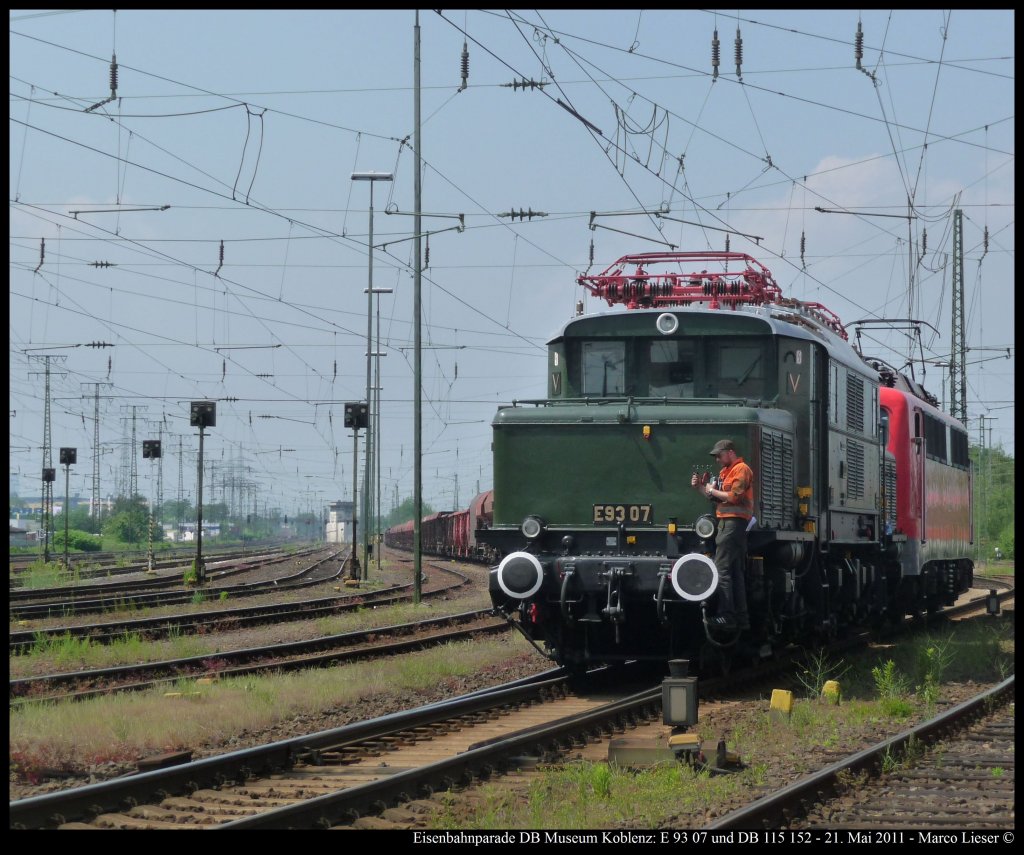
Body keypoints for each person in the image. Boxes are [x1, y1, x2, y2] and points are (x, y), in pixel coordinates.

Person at [690, 438, 753, 631]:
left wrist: (711, 490)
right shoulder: (726, 472)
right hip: (727, 523)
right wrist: (700, 487)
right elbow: (716, 498)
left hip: (734, 524)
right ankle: (741, 618)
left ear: (730, 452)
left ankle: (727, 616)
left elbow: (734, 497)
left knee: (721, 569)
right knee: (734, 571)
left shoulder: (741, 469)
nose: (717, 459)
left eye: (719, 455)